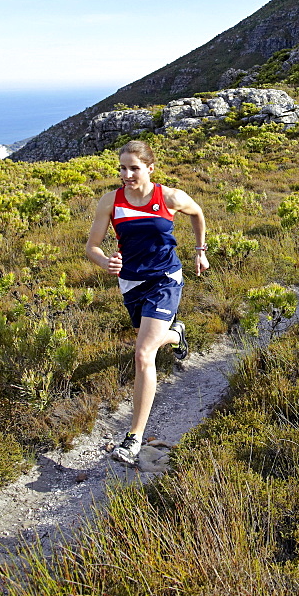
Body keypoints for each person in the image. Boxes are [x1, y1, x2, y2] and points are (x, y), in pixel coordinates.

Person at [86, 140, 209, 464]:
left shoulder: (168, 197)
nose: (127, 174)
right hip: (131, 283)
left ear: (150, 168)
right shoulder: (111, 201)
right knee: (149, 338)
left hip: (166, 280)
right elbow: (92, 246)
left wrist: (200, 251)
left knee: (143, 354)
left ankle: (133, 438)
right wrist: (104, 263)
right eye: (122, 168)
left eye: (134, 168)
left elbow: (197, 214)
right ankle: (176, 334)